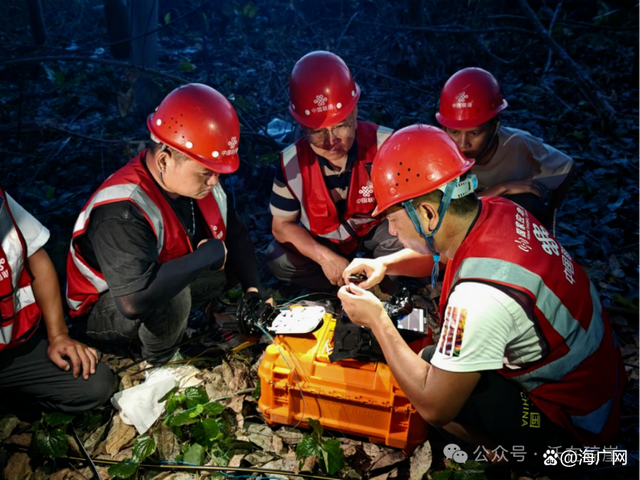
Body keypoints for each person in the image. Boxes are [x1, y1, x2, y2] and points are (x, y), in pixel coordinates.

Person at [339, 125, 624, 468]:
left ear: (428, 214)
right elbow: (444, 250)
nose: (392, 231)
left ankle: (519, 462)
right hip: (600, 386)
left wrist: (377, 320)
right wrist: (384, 262)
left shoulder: (478, 298)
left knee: (431, 376)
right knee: (437, 357)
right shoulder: (499, 210)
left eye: (393, 220)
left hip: (576, 426)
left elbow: (435, 407)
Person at [66, 84, 265, 366]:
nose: (214, 181)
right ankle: (162, 364)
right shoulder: (121, 208)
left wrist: (254, 293)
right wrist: (206, 256)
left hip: (157, 283)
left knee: (227, 267)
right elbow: (134, 301)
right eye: (206, 172)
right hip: (106, 307)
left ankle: (180, 328)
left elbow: (236, 234)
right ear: (164, 160)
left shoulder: (199, 186)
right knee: (173, 297)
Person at [266, 51, 403, 290]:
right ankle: (337, 290)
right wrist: (324, 257)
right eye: (318, 131)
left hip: (376, 235)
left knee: (406, 241)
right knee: (277, 258)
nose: (331, 142)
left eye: (341, 126)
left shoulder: (387, 145)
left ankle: (380, 286)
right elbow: (281, 225)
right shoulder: (291, 163)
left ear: (356, 113)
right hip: (325, 243)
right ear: (302, 127)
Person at [0, 188, 114, 415]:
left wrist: (58, 335)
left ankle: (14, 404)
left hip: (9, 350)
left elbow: (36, 257)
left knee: (95, 384)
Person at [436, 67, 575, 227]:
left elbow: (567, 168)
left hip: (511, 230)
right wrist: (502, 188)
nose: (462, 143)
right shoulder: (439, 152)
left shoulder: (518, 144)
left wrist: (551, 219)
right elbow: (441, 211)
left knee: (527, 202)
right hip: (461, 229)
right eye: (454, 132)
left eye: (474, 133)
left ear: (494, 128)